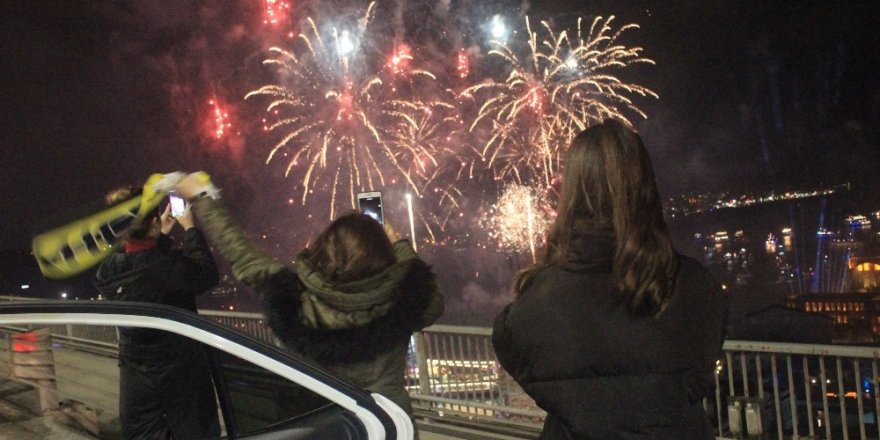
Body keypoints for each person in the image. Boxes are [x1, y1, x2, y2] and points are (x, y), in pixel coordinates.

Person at [492, 119, 727, 440]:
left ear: (572, 189)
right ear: (645, 186)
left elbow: (517, 355)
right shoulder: (696, 285)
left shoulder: (537, 300)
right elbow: (700, 372)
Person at [173, 175, 444, 420]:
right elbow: (425, 289)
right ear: (385, 257)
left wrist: (202, 198)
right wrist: (400, 244)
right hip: (388, 422)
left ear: (323, 251)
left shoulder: (298, 301)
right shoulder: (403, 303)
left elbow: (240, 251)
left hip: (323, 423)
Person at [93, 186, 221, 440]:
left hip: (136, 375)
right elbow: (206, 273)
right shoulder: (169, 269)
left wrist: (157, 234)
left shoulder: (107, 272)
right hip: (182, 375)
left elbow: (138, 262)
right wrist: (190, 227)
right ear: (153, 222)